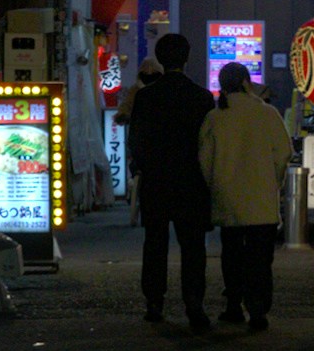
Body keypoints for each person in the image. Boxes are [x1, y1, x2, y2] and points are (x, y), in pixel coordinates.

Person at [119, 29, 214, 324]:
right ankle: (194, 303)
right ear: (187, 59)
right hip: (191, 182)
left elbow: (136, 140)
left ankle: (155, 303)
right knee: (193, 246)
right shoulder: (202, 97)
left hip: (157, 181)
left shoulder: (147, 97)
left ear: (160, 59)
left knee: (155, 244)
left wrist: (143, 169)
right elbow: (208, 143)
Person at [197, 62, 296, 330]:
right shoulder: (267, 113)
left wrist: (217, 184)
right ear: (246, 82)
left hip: (228, 198)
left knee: (232, 256)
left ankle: (233, 306)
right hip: (261, 199)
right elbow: (284, 152)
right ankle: (258, 309)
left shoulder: (215, 117)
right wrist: (274, 180)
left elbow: (204, 160)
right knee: (260, 259)